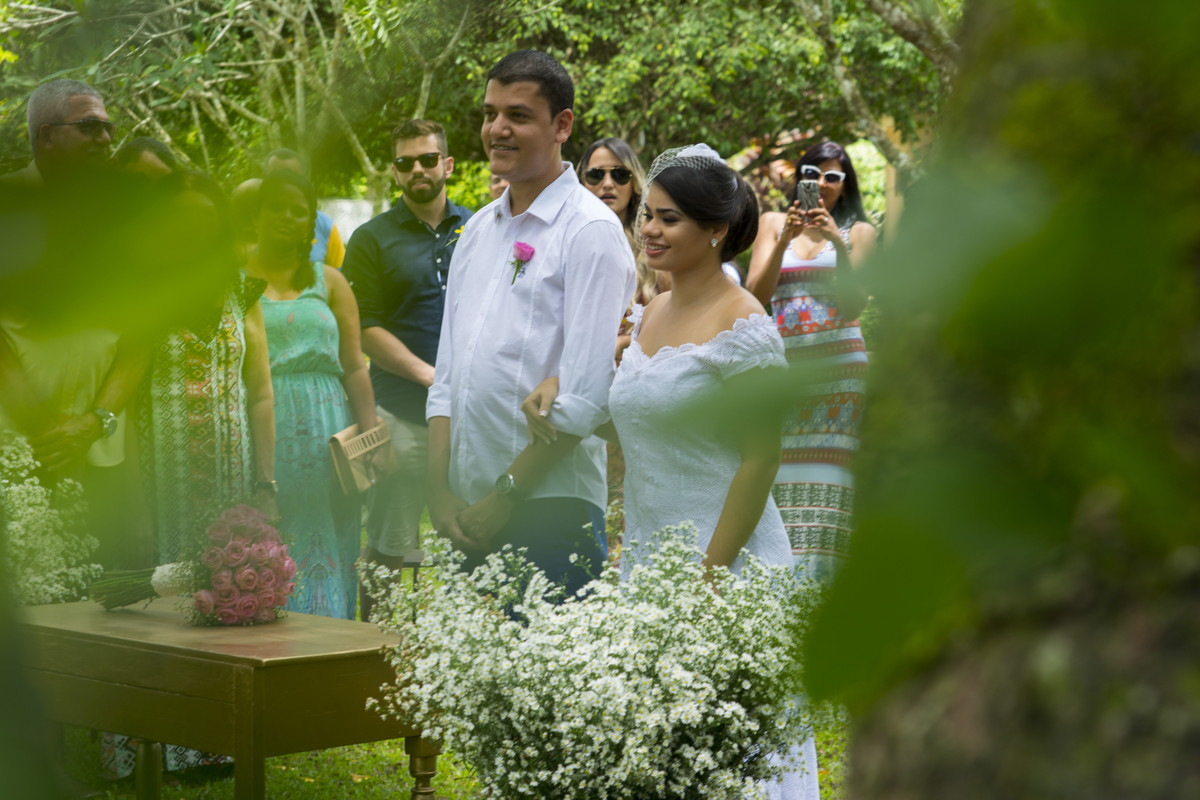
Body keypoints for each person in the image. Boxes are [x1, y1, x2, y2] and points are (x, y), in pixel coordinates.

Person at [524, 143, 820, 799]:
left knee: (735, 765)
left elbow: (760, 457)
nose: (650, 230)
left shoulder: (744, 325)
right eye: (648, 216)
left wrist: (707, 581)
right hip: (651, 570)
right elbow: (636, 417)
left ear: (716, 230)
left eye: (670, 219)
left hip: (729, 572)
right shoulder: (648, 312)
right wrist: (556, 392)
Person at [426, 50, 635, 598]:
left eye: (518, 115)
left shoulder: (590, 230)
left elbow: (586, 394)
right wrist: (438, 491)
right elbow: (447, 375)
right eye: (490, 112)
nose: (497, 128)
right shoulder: (475, 232)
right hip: (462, 513)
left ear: (561, 124)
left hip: (549, 510)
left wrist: (505, 497)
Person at [104, 171, 276, 779]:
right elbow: (120, 396)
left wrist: (264, 482)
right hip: (161, 477)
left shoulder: (241, 291)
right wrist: (130, 496)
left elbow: (258, 392)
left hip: (226, 482)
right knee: (157, 603)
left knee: (219, 598)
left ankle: (212, 743)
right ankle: (148, 749)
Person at [0, 78, 151, 570]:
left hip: (99, 453)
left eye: (109, 128)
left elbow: (140, 336)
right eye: (90, 128)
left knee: (101, 606)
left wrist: (90, 424)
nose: (106, 140)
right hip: (16, 449)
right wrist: (46, 429)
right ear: (46, 136)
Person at [342, 119, 473, 618]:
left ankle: (455, 657)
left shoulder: (480, 228)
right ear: (394, 172)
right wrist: (430, 376)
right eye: (404, 162)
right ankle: (372, 659)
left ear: (448, 164)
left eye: (426, 159)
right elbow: (365, 327)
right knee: (390, 550)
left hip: (468, 418)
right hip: (400, 411)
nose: (416, 169)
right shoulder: (371, 239)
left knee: (469, 540)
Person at [246, 169, 377, 620]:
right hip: (261, 431)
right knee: (266, 538)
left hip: (328, 436)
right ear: (258, 215)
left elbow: (356, 366)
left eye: (298, 212)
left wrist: (372, 436)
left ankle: (328, 643)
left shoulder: (331, 282)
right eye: (276, 207)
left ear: (310, 224)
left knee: (329, 541)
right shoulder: (235, 278)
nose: (286, 217)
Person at [746, 140, 876, 581]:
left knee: (831, 477)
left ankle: (824, 585)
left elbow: (854, 304)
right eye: (812, 174)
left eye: (833, 176)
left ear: (845, 184)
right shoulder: (770, 223)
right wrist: (784, 239)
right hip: (783, 375)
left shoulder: (859, 233)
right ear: (799, 178)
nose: (821, 184)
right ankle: (779, 583)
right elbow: (754, 298)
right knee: (773, 471)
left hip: (839, 375)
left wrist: (837, 245)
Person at [264, 148, 345, 268]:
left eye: (292, 177)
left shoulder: (326, 226)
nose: (284, 184)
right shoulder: (247, 221)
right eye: (277, 177)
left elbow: (342, 273)